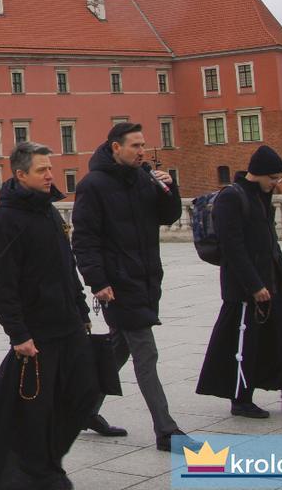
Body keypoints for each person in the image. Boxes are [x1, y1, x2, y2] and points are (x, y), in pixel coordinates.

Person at [0, 143, 97, 490]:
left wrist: (81, 309)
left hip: (67, 324)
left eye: (50, 168)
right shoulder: (6, 220)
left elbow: (67, 266)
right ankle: (36, 472)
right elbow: (3, 284)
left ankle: (44, 463)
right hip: (37, 333)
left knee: (84, 394)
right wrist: (18, 334)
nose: (50, 174)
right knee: (31, 411)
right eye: (42, 170)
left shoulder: (48, 211)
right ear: (20, 175)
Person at [71, 122, 197, 451]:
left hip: (145, 279)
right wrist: (97, 281)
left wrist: (171, 188)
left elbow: (167, 217)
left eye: (143, 145)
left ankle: (84, 411)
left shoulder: (143, 177)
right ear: (116, 147)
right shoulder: (93, 185)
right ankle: (166, 431)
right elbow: (84, 239)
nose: (142, 151)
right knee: (146, 352)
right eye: (135, 145)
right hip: (118, 284)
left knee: (118, 351)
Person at [196, 145, 282, 418]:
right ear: (258, 174)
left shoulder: (260, 196)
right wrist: (254, 285)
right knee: (244, 344)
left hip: (272, 283)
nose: (276, 184)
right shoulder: (232, 198)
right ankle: (241, 400)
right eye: (274, 178)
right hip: (246, 289)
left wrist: (276, 279)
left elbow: (267, 242)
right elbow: (233, 248)